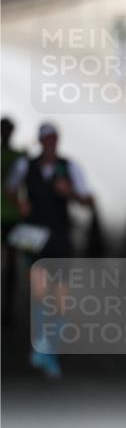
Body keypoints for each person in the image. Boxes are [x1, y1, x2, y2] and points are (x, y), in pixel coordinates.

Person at [6, 122, 94, 378]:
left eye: (53, 139)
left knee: (62, 301)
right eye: (46, 139)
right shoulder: (26, 166)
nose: (50, 144)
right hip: (35, 237)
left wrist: (70, 194)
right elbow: (11, 188)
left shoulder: (70, 168)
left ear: (58, 140)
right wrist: (20, 203)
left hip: (60, 237)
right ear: (40, 141)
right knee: (41, 294)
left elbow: (88, 200)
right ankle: (44, 349)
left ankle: (49, 348)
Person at [1, 117, 25, 326]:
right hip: (11, 216)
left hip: (13, 216)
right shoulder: (20, 157)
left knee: (11, 265)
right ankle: (7, 307)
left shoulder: (20, 157)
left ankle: (8, 306)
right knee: (11, 264)